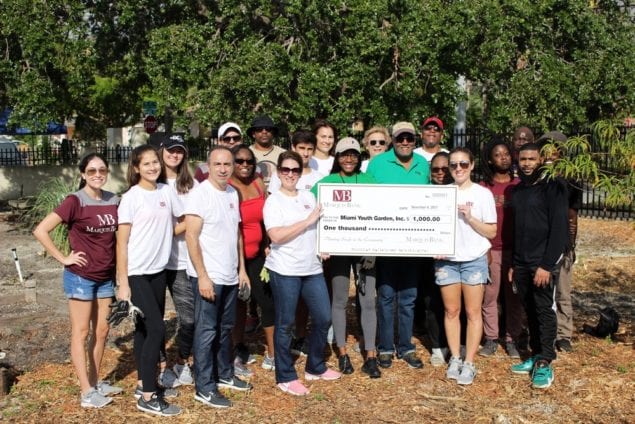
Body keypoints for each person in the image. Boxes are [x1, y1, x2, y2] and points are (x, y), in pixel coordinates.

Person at [33, 153, 121, 409]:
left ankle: (95, 381)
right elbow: (40, 230)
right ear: (83, 174)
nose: (97, 174)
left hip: (106, 277)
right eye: (91, 170)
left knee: (102, 331)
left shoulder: (113, 200)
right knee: (81, 332)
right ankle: (86, 392)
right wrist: (64, 257)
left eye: (101, 170)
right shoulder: (75, 201)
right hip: (81, 278)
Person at [264, 151, 341, 396]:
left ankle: (315, 366)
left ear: (299, 172)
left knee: (323, 317)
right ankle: (285, 376)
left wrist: (324, 245)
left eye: (294, 170)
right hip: (285, 269)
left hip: (311, 268)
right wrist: (307, 221)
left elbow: (319, 227)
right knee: (285, 324)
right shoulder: (273, 201)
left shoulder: (308, 197)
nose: (290, 174)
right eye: (285, 170)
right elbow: (276, 235)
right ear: (278, 173)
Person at [116, 145, 182, 416]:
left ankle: (144, 382)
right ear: (136, 168)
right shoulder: (131, 198)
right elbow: (121, 243)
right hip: (137, 273)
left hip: (158, 271)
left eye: (155, 162)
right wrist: (123, 282)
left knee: (144, 330)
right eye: (147, 164)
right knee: (157, 329)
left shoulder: (166, 192)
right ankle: (148, 396)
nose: (153, 167)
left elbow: (176, 224)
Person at [185, 146, 252, 409]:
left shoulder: (232, 193)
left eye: (228, 164)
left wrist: (242, 269)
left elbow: (236, 234)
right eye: (218, 164)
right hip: (208, 276)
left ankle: (224, 374)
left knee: (225, 329)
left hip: (230, 275)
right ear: (208, 166)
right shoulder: (199, 194)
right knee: (206, 332)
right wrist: (202, 276)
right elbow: (191, 237)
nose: (223, 169)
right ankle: (204, 387)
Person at [311, 137, 380, 378]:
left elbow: (382, 211)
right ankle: (341, 352)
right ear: (337, 158)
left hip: (365, 251)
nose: (348, 159)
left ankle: (371, 354)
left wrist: (375, 248)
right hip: (337, 250)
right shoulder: (326, 183)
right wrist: (321, 242)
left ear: (359, 157)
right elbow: (310, 210)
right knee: (339, 300)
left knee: (368, 300)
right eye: (343, 154)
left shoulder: (370, 180)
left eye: (353, 154)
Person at [366, 121, 429, 370]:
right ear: (393, 139)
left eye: (409, 138)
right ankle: (384, 347)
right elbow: (367, 200)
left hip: (414, 244)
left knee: (409, 297)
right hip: (386, 242)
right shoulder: (378, 163)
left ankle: (405, 346)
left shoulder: (423, 164)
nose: (405, 142)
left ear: (415, 140)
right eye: (401, 138)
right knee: (386, 296)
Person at [509, 143, 569, 389]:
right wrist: (514, 263)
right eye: (523, 159)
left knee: (544, 311)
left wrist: (546, 265)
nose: (527, 163)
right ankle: (535, 354)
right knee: (530, 310)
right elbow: (516, 230)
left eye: (532, 159)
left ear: (540, 160)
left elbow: (559, 230)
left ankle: (546, 362)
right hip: (521, 262)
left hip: (542, 264)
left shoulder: (553, 187)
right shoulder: (519, 191)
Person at [436, 147, 497, 386]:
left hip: (474, 259)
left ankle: (469, 362)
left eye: (463, 164)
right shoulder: (443, 194)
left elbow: (491, 231)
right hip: (447, 261)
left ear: (472, 165)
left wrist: (470, 217)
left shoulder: (482, 194)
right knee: (451, 312)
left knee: (473, 313)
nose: (458, 169)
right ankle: (455, 358)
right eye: (453, 165)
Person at [228, 144, 276, 375]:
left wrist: (268, 244)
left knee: (266, 301)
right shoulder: (226, 187)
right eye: (239, 161)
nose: (245, 165)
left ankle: (273, 353)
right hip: (232, 256)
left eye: (249, 161)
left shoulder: (258, 182)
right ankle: (237, 348)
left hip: (257, 254)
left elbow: (267, 217)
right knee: (237, 304)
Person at [537, 131, 582, 353]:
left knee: (563, 291)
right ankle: (543, 330)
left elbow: (572, 215)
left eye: (554, 147)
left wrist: (570, 246)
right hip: (540, 242)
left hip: (562, 243)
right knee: (543, 291)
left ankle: (564, 334)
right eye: (545, 147)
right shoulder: (538, 176)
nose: (550, 152)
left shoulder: (571, 179)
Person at [479, 138, 523, 359]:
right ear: (490, 159)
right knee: (490, 296)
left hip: (515, 251)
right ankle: (491, 338)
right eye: (498, 154)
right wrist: (485, 249)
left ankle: (512, 339)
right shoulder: (483, 188)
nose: (503, 157)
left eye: (506, 153)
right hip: (491, 249)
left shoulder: (519, 186)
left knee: (514, 297)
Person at [159, 134, 197, 387]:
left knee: (190, 318)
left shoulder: (191, 184)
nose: (174, 154)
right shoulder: (153, 183)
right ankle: (160, 367)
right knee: (153, 319)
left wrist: (181, 224)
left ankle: (182, 362)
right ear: (161, 150)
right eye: (170, 149)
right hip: (153, 262)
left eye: (179, 151)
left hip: (182, 261)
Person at [417, 151, 452, 367]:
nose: (440, 173)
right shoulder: (424, 194)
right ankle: (438, 346)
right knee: (432, 302)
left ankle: (459, 344)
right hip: (428, 257)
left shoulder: (461, 191)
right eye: (436, 170)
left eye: (444, 169)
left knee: (457, 305)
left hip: (457, 258)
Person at [248, 115, 286, 186]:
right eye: (259, 129)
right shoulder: (246, 153)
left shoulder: (283, 154)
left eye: (268, 129)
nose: (264, 132)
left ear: (273, 133)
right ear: (253, 134)